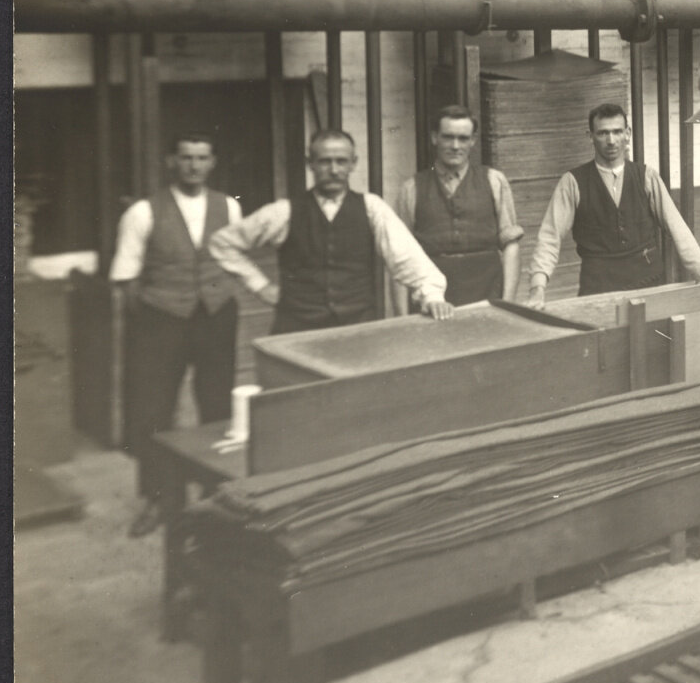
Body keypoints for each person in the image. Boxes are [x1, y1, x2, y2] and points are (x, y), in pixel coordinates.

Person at [108, 131, 244, 537]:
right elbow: (126, 279)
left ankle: (216, 492)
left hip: (215, 317)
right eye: (186, 158)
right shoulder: (142, 213)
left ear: (212, 162)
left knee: (218, 403)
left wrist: (218, 296)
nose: (194, 166)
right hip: (161, 320)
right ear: (171, 162)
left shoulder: (229, 208)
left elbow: (234, 261)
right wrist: (158, 316)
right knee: (154, 410)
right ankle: (160, 498)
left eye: (202, 158)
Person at [209, 129, 454, 332]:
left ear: (353, 164)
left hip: (357, 328)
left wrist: (431, 296)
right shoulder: (284, 211)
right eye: (325, 161)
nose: (334, 170)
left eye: (341, 161)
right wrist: (261, 286)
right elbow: (223, 243)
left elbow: (407, 258)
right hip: (296, 329)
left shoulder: (372, 208)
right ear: (311, 164)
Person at [524, 102, 700, 303]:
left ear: (628, 133)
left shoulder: (647, 176)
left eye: (617, 131)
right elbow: (549, 237)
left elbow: (677, 227)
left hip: (648, 283)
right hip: (598, 287)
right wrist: (537, 287)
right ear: (590, 136)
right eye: (603, 133)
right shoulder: (572, 182)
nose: (611, 140)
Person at [394, 105, 523, 308]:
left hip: (488, 295)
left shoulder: (494, 181)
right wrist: (402, 320)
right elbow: (400, 258)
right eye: (448, 137)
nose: (455, 146)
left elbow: (511, 246)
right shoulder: (411, 189)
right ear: (435, 138)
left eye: (463, 138)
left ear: (472, 141)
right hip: (432, 300)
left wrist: (507, 303)